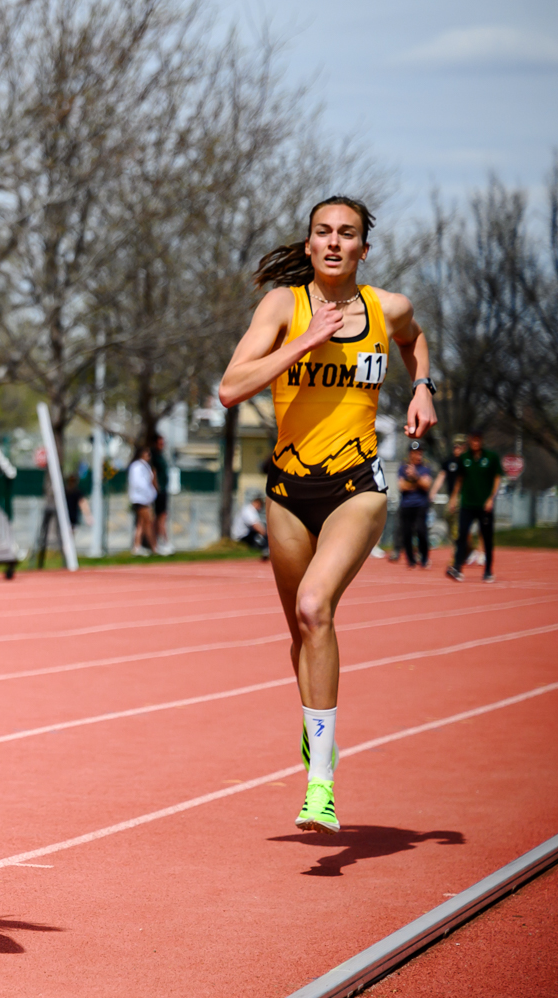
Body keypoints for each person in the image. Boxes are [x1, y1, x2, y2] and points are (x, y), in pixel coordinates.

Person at [218, 195, 436, 836]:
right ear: (309, 245)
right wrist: (304, 342)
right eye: (323, 232)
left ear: (364, 249)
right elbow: (231, 388)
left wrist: (423, 386)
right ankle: (321, 736)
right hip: (287, 491)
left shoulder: (384, 307)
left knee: (317, 607)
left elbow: (414, 339)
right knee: (300, 634)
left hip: (355, 485)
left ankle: (321, 780)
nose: (335, 242)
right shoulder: (283, 307)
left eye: (347, 234)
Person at [447, 430, 502, 583]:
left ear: (481, 441)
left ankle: (488, 570)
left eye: (478, 440)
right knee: (462, 536)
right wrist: (454, 498)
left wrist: (491, 498)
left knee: (487, 537)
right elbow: (459, 479)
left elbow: (497, 478)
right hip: (467, 504)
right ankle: (457, 567)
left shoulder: (491, 457)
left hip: (484, 505)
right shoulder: (464, 458)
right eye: (473, 440)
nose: (475, 443)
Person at [394, 442, 433, 569]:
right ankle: (410, 559)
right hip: (406, 505)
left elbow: (426, 485)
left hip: (420, 504)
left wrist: (415, 476)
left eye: (420, 453)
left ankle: (424, 557)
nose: (418, 455)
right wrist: (417, 484)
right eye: (416, 453)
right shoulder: (403, 468)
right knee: (407, 532)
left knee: (421, 530)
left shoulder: (425, 468)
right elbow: (401, 486)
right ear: (410, 454)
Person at [126, 444, 157, 556]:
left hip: (146, 499)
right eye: (147, 453)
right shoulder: (136, 467)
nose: (149, 456)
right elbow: (139, 484)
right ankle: (154, 547)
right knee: (148, 522)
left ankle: (137, 546)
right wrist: (149, 495)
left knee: (141, 523)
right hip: (140, 499)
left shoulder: (146, 467)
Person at [151, 433, 173, 555]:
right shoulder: (154, 456)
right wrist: (157, 489)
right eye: (160, 443)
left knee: (161, 518)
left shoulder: (161, 455)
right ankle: (163, 542)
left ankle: (158, 542)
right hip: (159, 492)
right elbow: (153, 473)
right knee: (160, 518)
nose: (162, 445)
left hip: (163, 491)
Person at [232, 494, 270, 559]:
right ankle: (266, 550)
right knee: (263, 537)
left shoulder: (247, 509)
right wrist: (266, 535)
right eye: (260, 506)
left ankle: (266, 549)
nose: (260, 509)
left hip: (244, 534)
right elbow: (256, 526)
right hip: (243, 535)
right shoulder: (249, 510)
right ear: (257, 504)